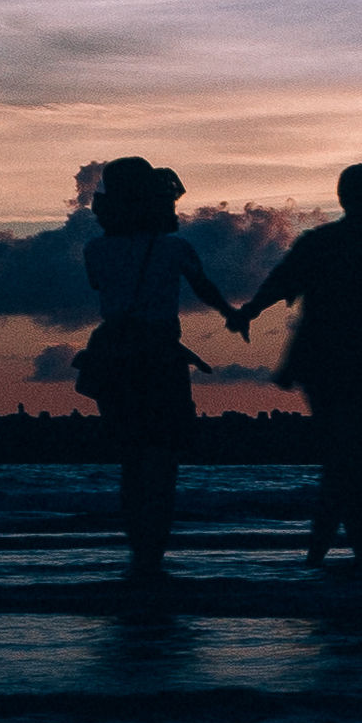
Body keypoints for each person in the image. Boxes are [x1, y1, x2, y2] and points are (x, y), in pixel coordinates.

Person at [226, 162, 362, 565]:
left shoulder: (321, 242)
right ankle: (340, 554)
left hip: (319, 365)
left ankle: (333, 554)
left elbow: (279, 281)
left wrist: (249, 311)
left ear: (342, 198)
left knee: (342, 460)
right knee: (350, 461)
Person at [79, 157, 228, 578]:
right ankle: (154, 555)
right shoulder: (174, 248)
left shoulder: (96, 250)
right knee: (162, 462)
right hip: (160, 357)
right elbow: (204, 288)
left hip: (113, 357)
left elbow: (99, 284)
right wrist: (234, 314)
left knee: (131, 460)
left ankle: (138, 553)